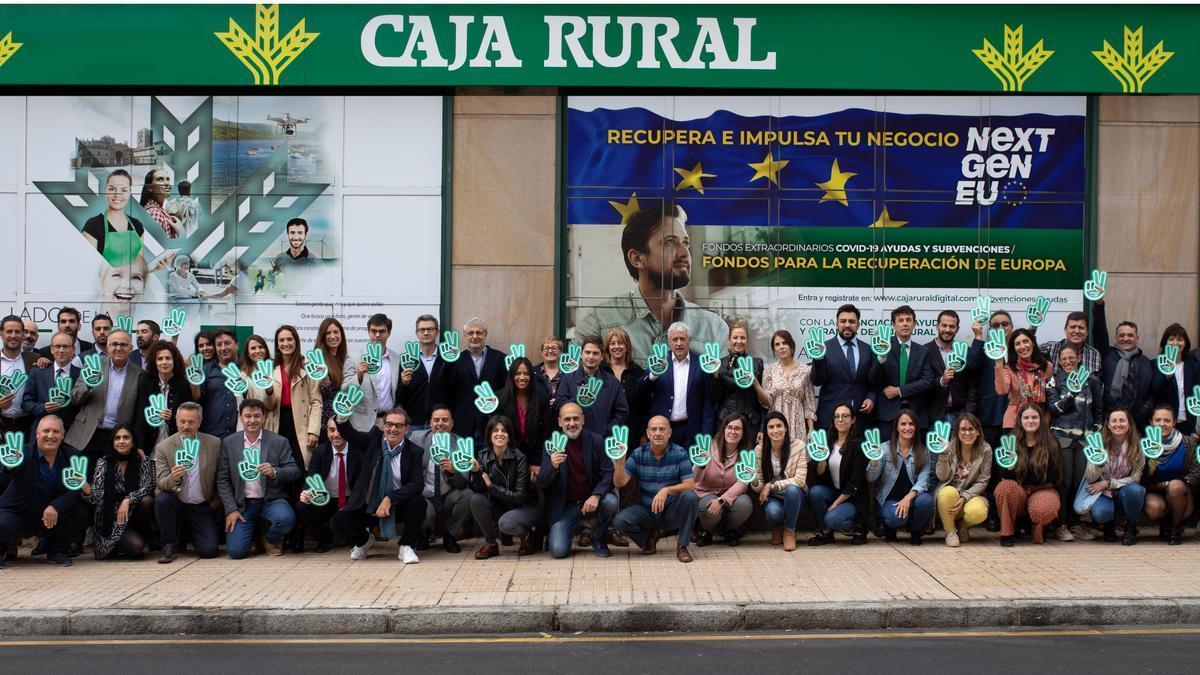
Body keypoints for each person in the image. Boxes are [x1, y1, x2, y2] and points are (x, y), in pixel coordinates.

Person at [573, 202, 727, 363]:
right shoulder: (599, 322)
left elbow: (722, 385)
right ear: (637, 258)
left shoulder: (713, 328)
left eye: (686, 243)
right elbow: (573, 383)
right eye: (670, 242)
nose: (684, 252)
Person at [332, 407, 426, 563]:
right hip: (369, 505)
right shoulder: (372, 440)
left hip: (397, 506)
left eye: (398, 425)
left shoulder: (414, 451)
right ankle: (364, 541)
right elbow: (352, 435)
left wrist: (390, 499)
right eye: (389, 424)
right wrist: (342, 419)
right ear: (383, 426)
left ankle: (407, 546)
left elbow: (416, 484)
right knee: (338, 523)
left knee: (418, 503)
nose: (393, 429)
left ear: (406, 429)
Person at [216, 399, 300, 559]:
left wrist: (275, 471)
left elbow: (294, 470)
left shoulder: (278, 441)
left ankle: (269, 538)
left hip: (272, 500)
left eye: (256, 416)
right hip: (243, 504)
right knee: (236, 552)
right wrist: (231, 509)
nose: (252, 420)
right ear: (240, 417)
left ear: (264, 417)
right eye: (248, 416)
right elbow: (222, 479)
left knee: (286, 519)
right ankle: (254, 533)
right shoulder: (229, 443)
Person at [0, 416, 88, 566]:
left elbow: (76, 490)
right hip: (20, 511)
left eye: (56, 431)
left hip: (51, 514)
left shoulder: (74, 457)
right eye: (46, 431)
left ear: (63, 434)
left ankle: (56, 551)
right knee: (3, 523)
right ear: (37, 433)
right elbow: (6, 474)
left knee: (80, 511)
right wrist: (9, 467)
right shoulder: (22, 453)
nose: (51, 436)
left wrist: (56, 506)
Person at [611, 415, 700, 563]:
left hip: (671, 511)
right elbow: (620, 483)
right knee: (620, 520)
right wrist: (620, 463)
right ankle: (649, 538)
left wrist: (665, 491)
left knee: (690, 496)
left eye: (662, 429)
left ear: (669, 433)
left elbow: (690, 484)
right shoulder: (638, 454)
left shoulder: (680, 453)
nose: (658, 433)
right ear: (648, 433)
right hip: (648, 511)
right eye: (654, 429)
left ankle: (682, 546)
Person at [541, 402, 618, 558]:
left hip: (591, 502)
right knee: (558, 551)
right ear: (559, 422)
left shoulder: (596, 440)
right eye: (567, 419)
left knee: (610, 502)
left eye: (576, 418)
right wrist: (553, 466)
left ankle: (598, 537)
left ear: (583, 419)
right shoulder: (552, 444)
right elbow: (543, 482)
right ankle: (562, 533)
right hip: (565, 507)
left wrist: (596, 495)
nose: (572, 423)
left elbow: (608, 472)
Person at [65, 329, 150, 466]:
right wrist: (88, 384)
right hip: (88, 433)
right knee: (82, 482)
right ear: (108, 347)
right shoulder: (93, 365)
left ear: (130, 348)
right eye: (114, 344)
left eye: (123, 345)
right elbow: (75, 398)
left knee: (111, 483)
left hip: (118, 437)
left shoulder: (140, 374)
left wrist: (138, 442)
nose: (118, 348)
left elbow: (140, 413)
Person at [1046, 343, 1104, 541]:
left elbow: (1098, 410)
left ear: (1079, 358)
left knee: (1081, 482)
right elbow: (1054, 409)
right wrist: (1071, 393)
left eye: (1072, 358)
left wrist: (1096, 433)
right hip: (1062, 438)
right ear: (1059, 362)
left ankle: (1075, 523)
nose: (1068, 362)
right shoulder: (1054, 381)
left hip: (1085, 440)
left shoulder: (1092, 380)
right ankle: (1059, 524)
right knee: (1064, 481)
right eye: (1064, 359)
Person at [153, 402, 222, 562]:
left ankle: (186, 535)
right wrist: (174, 477)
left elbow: (221, 476)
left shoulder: (214, 443)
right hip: (176, 502)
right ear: (176, 421)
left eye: (191, 422)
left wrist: (215, 503)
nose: (186, 426)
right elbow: (161, 483)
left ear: (199, 422)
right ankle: (169, 543)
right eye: (182, 421)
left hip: (201, 506)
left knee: (209, 550)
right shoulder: (164, 447)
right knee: (162, 499)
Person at [468, 416, 539, 559]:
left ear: (509, 436)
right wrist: (475, 473)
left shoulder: (519, 457)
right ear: (489, 435)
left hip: (524, 506)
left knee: (506, 522)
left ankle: (528, 537)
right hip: (501, 505)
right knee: (475, 500)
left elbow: (519, 497)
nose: (499, 434)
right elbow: (479, 490)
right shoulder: (482, 456)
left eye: (504, 431)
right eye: (495, 431)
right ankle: (491, 544)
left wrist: (491, 486)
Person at [80, 424, 154, 560]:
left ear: (133, 441)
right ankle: (114, 545)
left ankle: (140, 538)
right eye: (117, 438)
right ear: (112, 442)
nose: (121, 441)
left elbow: (147, 487)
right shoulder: (103, 462)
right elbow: (96, 496)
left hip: (133, 514)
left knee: (147, 501)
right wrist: (84, 485)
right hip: (110, 520)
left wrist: (127, 500)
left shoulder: (142, 460)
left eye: (126, 437)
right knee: (136, 547)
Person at [406, 405, 474, 553]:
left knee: (468, 495)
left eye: (445, 420)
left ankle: (450, 536)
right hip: (425, 495)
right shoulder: (416, 438)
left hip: (448, 495)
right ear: (430, 423)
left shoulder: (460, 443)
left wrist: (452, 471)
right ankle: (422, 534)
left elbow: (464, 482)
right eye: (436, 420)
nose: (440, 423)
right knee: (418, 506)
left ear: (452, 423)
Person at [994, 403, 1061, 547]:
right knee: (1004, 487)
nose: (1030, 421)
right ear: (1020, 420)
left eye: (1034, 417)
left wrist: (1019, 472)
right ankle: (1007, 532)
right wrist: (1010, 467)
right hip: (1019, 490)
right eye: (1026, 418)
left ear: (1041, 420)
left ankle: (1037, 527)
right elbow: (1002, 475)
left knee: (1043, 508)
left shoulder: (1052, 442)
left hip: (1043, 489)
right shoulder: (1010, 442)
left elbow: (1053, 476)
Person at [639, 322, 714, 447]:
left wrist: (706, 436)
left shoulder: (701, 365)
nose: (679, 343)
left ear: (689, 340)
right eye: (675, 339)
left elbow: (707, 404)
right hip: (662, 430)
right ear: (669, 342)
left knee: (688, 467)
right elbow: (640, 390)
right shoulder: (659, 362)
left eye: (682, 339)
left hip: (691, 431)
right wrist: (653, 375)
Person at [866, 409, 935, 545]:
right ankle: (890, 527)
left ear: (916, 427)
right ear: (896, 427)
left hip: (912, 499)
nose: (907, 428)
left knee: (926, 501)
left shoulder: (923, 451)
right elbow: (871, 478)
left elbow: (924, 480)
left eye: (911, 424)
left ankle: (915, 531)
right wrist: (873, 461)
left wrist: (907, 498)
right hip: (888, 500)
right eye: (903, 424)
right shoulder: (884, 449)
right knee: (896, 518)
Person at [296, 417, 363, 552]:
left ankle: (356, 536)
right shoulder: (320, 451)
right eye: (332, 430)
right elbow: (311, 477)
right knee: (302, 506)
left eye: (340, 430)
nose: (336, 434)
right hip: (327, 501)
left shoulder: (358, 452)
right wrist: (306, 493)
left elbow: (362, 485)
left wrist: (352, 505)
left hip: (351, 502)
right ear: (327, 432)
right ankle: (324, 538)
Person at [807, 402, 870, 546]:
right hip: (835, 491)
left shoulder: (859, 445)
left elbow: (855, 483)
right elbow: (820, 477)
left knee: (831, 518)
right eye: (837, 416)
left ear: (853, 420)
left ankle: (858, 528)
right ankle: (826, 533)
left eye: (845, 416)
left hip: (853, 497)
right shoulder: (829, 442)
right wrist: (821, 462)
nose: (840, 420)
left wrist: (834, 505)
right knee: (815, 492)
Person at [1082, 408, 1145, 546]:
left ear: (1129, 424)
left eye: (1122, 420)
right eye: (1114, 421)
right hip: (1101, 493)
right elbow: (1091, 478)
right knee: (1101, 513)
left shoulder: (1137, 447)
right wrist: (1098, 463)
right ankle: (1108, 524)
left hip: (1125, 490)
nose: (1118, 424)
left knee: (1136, 491)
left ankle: (1130, 526)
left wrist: (1109, 483)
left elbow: (1136, 478)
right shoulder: (1099, 445)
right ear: (1108, 425)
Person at [871, 305, 935, 439]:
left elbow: (927, 381)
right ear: (893, 326)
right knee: (886, 456)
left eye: (908, 320)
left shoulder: (923, 352)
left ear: (914, 324)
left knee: (916, 457)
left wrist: (899, 391)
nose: (905, 323)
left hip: (916, 414)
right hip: (887, 415)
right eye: (900, 320)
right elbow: (872, 379)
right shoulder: (881, 347)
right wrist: (881, 358)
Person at [440, 317, 507, 441]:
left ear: (485, 334)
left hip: (491, 423)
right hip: (463, 424)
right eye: (470, 333)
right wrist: (448, 364)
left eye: (479, 332)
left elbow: (507, 389)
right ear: (465, 336)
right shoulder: (456, 360)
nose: (475, 336)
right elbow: (446, 388)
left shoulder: (500, 358)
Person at [693, 412, 754, 547]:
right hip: (706, 494)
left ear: (744, 432)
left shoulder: (748, 454)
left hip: (732, 498)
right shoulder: (708, 447)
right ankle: (706, 531)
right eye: (730, 427)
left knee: (745, 504)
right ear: (724, 429)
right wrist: (700, 465)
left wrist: (721, 500)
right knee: (708, 506)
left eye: (737, 428)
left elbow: (743, 484)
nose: (733, 431)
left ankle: (728, 531)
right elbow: (695, 479)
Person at [812, 305, 877, 430]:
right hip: (831, 418)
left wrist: (871, 398)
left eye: (852, 321)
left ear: (858, 325)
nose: (847, 325)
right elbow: (817, 381)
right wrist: (818, 358)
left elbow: (874, 380)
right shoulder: (823, 348)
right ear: (837, 324)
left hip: (860, 418)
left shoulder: (868, 350)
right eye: (843, 321)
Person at [1142, 404, 1199, 545]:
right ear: (1151, 422)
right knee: (1153, 508)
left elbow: (1196, 474)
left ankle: (1175, 527)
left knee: (1175, 487)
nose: (1162, 424)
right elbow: (1141, 480)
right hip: (1155, 493)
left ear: (1174, 423)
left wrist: (1170, 484)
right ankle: (1165, 524)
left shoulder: (1188, 442)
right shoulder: (1143, 446)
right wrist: (1153, 460)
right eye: (1158, 420)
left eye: (1167, 420)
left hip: (1182, 496)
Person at [750, 410, 807, 551]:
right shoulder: (759, 450)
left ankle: (789, 531)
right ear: (766, 431)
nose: (776, 430)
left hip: (795, 496)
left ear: (786, 428)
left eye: (779, 426)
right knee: (773, 513)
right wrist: (754, 480)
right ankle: (778, 527)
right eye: (771, 427)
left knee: (792, 489)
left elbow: (799, 480)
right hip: (773, 497)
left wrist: (772, 485)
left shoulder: (798, 445)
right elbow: (759, 488)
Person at [1092, 302, 1155, 427]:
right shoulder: (1107, 355)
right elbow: (1099, 332)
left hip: (1137, 422)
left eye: (1130, 335)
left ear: (1137, 338)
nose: (1126, 338)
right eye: (1122, 335)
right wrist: (1099, 305)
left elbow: (1153, 392)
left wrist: (1146, 408)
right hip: (1110, 420)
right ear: (1116, 338)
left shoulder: (1146, 362)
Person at [934, 413, 991, 547]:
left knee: (978, 512)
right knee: (947, 492)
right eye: (963, 429)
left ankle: (963, 526)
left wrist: (964, 497)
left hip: (972, 496)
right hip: (950, 495)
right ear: (958, 432)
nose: (967, 433)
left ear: (978, 431)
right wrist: (943, 454)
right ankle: (950, 532)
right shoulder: (950, 447)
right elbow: (942, 477)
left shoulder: (986, 449)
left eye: (971, 429)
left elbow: (983, 480)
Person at [555, 335, 628, 439]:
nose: (591, 357)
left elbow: (622, 412)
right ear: (581, 354)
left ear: (602, 356)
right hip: (574, 440)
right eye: (587, 352)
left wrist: (608, 430)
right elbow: (559, 406)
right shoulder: (568, 380)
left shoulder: (612, 383)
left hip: (602, 440)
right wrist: (579, 401)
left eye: (595, 353)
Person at [343, 313, 401, 432]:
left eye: (382, 331)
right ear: (369, 333)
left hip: (389, 422)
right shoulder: (354, 357)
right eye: (373, 331)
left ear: (388, 333)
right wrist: (358, 377)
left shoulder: (396, 358)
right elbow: (344, 389)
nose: (377, 335)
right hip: (362, 423)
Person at [81, 170, 149, 268]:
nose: (118, 194)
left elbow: (140, 264)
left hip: (132, 282)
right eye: (112, 189)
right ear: (105, 190)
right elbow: (87, 266)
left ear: (130, 192)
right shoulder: (93, 225)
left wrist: (155, 267)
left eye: (123, 190)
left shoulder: (137, 225)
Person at [926, 309, 980, 427]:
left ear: (957, 329)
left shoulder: (965, 351)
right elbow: (924, 383)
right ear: (937, 326)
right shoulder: (924, 351)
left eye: (952, 326)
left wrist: (968, 413)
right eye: (944, 325)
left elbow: (973, 385)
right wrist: (942, 381)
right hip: (934, 417)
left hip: (960, 415)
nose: (947, 330)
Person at [992, 328, 1053, 432]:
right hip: (1014, 422)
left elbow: (1051, 397)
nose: (1023, 346)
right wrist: (998, 361)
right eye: (1018, 344)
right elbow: (1002, 391)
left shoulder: (1046, 367)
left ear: (1032, 343)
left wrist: (1046, 422)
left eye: (1025, 341)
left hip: (1039, 423)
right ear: (1014, 348)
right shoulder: (1009, 368)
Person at [713, 321, 767, 438]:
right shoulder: (720, 364)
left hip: (752, 422)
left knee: (749, 456)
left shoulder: (757, 363)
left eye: (743, 338)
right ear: (729, 340)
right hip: (726, 421)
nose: (739, 341)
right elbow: (714, 397)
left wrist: (763, 428)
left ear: (747, 341)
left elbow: (763, 402)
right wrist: (715, 378)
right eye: (735, 337)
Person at [501, 356, 551, 478]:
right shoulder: (500, 398)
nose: (522, 378)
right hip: (507, 454)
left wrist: (536, 461)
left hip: (534, 454)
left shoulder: (542, 396)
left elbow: (546, 431)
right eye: (517, 374)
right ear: (511, 375)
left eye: (526, 374)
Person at [761, 329, 817, 437]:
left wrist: (811, 429)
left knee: (798, 452)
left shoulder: (805, 370)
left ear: (791, 345)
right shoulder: (769, 370)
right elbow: (766, 402)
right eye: (777, 344)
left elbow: (808, 403)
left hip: (798, 422)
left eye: (785, 343)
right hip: (775, 423)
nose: (781, 346)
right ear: (774, 349)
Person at [22, 331, 81, 431]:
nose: (61, 350)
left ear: (73, 350)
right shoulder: (37, 373)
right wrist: (43, 408)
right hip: (42, 432)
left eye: (65, 346)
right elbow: (26, 403)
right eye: (57, 346)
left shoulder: (81, 374)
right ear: (51, 349)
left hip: (72, 434)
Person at [396, 314, 445, 430]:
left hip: (440, 423)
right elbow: (400, 397)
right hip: (414, 424)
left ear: (437, 332)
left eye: (430, 329)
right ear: (417, 333)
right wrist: (403, 383)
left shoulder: (446, 359)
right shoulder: (407, 360)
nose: (426, 333)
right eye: (422, 329)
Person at [143, 340, 194, 449]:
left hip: (177, 446)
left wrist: (173, 417)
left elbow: (189, 414)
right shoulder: (146, 382)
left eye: (168, 358)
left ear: (174, 360)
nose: (164, 362)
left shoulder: (183, 384)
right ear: (154, 362)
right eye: (160, 359)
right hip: (150, 445)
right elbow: (139, 414)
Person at [1151, 324, 1198, 437]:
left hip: (1187, 424)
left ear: (1185, 343)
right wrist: (1167, 374)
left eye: (1180, 339)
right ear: (1165, 343)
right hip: (1165, 424)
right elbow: (1155, 391)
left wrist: (1194, 428)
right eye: (1171, 339)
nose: (1176, 343)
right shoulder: (1155, 364)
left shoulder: (1193, 366)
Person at [603, 327, 647, 445]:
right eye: (612, 343)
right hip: (605, 433)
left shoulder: (637, 372)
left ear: (627, 347)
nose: (616, 346)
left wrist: (644, 432)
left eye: (621, 343)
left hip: (632, 433)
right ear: (608, 347)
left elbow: (645, 404)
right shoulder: (601, 372)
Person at [193, 328, 240, 437]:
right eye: (219, 344)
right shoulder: (205, 370)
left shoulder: (246, 369)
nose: (223, 348)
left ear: (237, 344)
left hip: (240, 436)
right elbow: (198, 401)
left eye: (227, 343)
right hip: (212, 435)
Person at [2, 315, 40, 437]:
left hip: (27, 425)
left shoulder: (34, 359)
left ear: (23, 334)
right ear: (2, 334)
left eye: (17, 331)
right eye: (9, 331)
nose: (13, 335)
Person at [312, 318, 347, 440]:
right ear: (322, 337)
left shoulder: (345, 359)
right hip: (325, 427)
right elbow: (322, 395)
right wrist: (324, 379)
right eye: (328, 333)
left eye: (336, 332)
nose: (333, 336)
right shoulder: (318, 361)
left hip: (344, 423)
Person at [1037, 311, 1102, 374]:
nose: (1076, 331)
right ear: (1065, 330)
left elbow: (1097, 382)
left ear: (1087, 332)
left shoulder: (1094, 354)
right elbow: (1030, 350)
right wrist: (1033, 326)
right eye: (1073, 327)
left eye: (1081, 328)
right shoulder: (1051, 347)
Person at [139, 166, 180, 238]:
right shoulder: (154, 213)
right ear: (150, 187)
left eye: (168, 179)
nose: (167, 183)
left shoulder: (158, 210)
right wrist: (181, 233)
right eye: (160, 180)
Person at [535, 336, 565, 401]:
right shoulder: (533, 372)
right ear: (542, 352)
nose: (550, 351)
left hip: (561, 410)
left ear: (560, 352)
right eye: (546, 348)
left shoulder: (567, 373)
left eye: (554, 348)